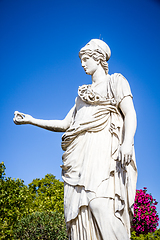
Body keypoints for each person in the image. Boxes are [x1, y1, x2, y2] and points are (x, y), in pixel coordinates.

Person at [14, 39, 137, 240]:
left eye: (86, 59)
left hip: (104, 147)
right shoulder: (81, 95)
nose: (82, 63)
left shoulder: (116, 81)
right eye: (81, 59)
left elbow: (130, 113)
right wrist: (31, 120)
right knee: (82, 211)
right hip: (80, 154)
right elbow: (65, 124)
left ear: (98, 58)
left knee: (99, 203)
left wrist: (127, 142)